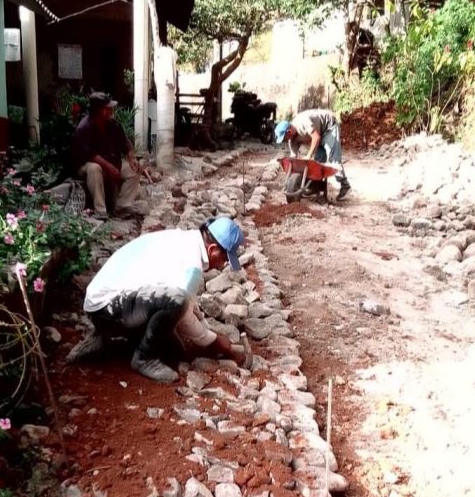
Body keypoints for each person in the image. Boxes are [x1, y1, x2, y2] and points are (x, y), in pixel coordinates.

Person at [66, 217, 252, 383]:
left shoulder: (185, 240)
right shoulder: (192, 264)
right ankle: (143, 358)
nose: (223, 265)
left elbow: (189, 299)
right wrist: (212, 340)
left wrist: (206, 327)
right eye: (225, 259)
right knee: (176, 303)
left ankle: (104, 339)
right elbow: (182, 306)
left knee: (175, 351)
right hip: (108, 308)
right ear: (213, 250)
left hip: (101, 302)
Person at [72, 92, 143, 220]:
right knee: (94, 168)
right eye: (107, 108)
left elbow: (125, 143)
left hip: (113, 163)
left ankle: (122, 206)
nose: (111, 110)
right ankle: (100, 210)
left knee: (135, 169)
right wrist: (109, 167)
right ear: (98, 111)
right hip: (89, 166)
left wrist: (132, 158)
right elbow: (90, 155)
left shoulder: (113, 124)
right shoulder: (84, 128)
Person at [274, 108, 351, 200]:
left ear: (289, 132)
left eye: (284, 138)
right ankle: (315, 189)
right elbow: (293, 160)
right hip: (319, 130)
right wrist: (291, 181)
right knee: (317, 163)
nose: (285, 140)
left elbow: (316, 137)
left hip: (329, 126)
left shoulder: (303, 123)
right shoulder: (292, 140)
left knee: (333, 159)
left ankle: (345, 185)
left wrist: (308, 156)